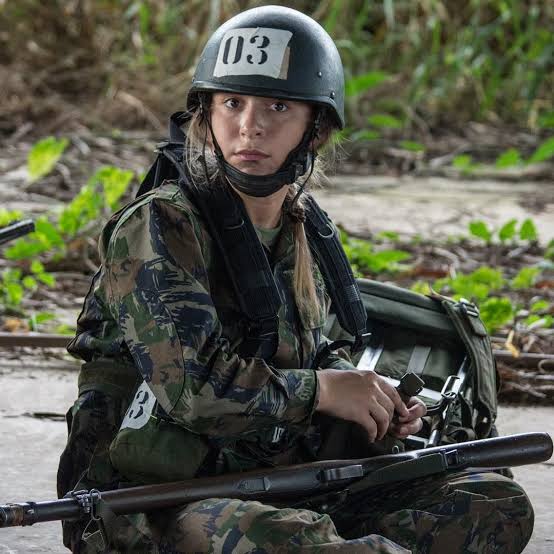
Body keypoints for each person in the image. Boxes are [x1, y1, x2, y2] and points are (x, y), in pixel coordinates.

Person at [59, 6, 534, 553]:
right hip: (152, 501)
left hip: (282, 485)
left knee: (494, 501)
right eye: (232, 103)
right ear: (205, 115)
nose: (250, 126)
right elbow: (191, 391)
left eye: (278, 106)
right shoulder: (162, 223)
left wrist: (371, 401)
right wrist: (324, 391)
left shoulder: (304, 227)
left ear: (316, 129)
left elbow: (314, 350)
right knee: (284, 538)